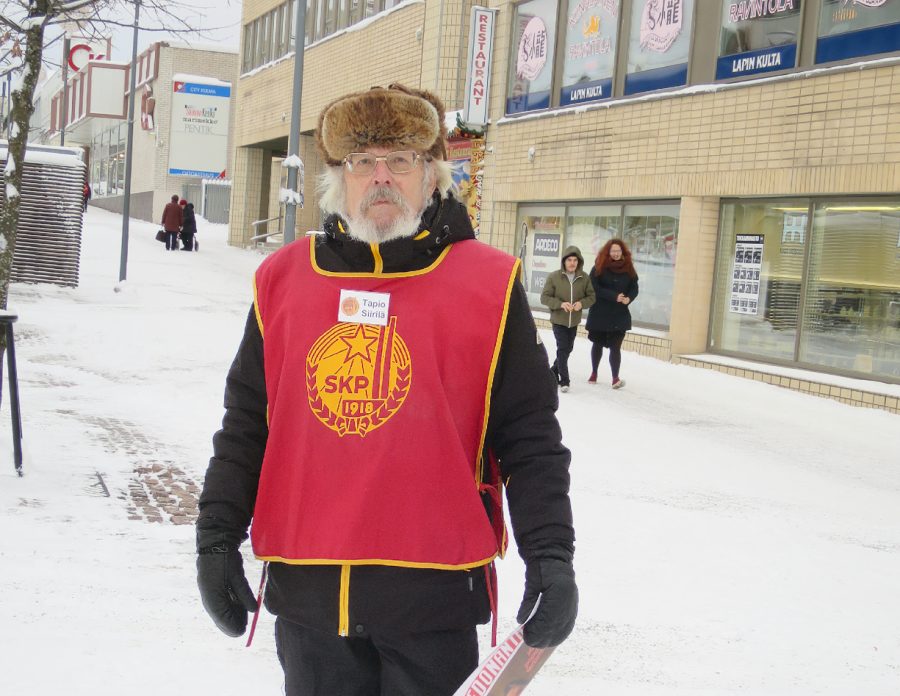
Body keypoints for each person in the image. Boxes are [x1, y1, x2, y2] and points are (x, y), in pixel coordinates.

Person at [196, 84, 578, 696]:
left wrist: (551, 556)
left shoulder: (489, 285)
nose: (380, 177)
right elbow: (246, 424)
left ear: (431, 174)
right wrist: (216, 536)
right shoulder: (283, 281)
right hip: (309, 599)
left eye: (400, 160)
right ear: (339, 178)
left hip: (434, 599)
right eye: (362, 161)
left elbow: (530, 437)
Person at [585, 238, 639, 389]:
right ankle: (594, 372)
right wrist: (613, 296)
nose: (616, 254)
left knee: (616, 346)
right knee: (597, 343)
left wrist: (629, 298)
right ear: (608, 252)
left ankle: (615, 378)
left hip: (619, 314)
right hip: (600, 313)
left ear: (623, 252)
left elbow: (634, 287)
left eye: (618, 251)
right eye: (613, 251)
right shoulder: (599, 266)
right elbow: (593, 287)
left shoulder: (629, 267)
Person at [539, 246, 595, 393]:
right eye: (569, 260)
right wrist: (560, 304)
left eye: (575, 260)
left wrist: (581, 304)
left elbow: (592, 297)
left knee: (567, 349)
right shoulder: (554, 277)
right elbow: (544, 298)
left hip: (574, 321)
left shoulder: (584, 278)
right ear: (564, 261)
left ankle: (551, 373)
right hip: (558, 320)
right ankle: (564, 381)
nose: (572, 263)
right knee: (563, 348)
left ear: (579, 262)